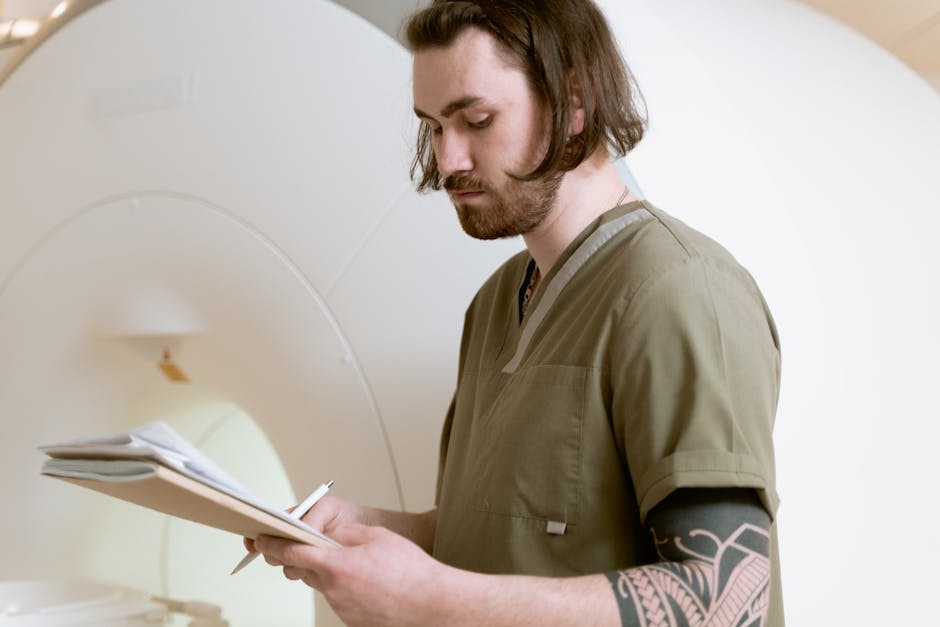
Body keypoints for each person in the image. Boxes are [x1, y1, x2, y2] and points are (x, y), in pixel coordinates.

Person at [252, 1, 784, 625]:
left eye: (476, 119)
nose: (449, 159)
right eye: (432, 127)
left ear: (575, 100)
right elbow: (513, 538)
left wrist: (426, 599)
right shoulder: (495, 306)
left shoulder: (678, 291)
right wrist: (374, 532)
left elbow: (729, 598)